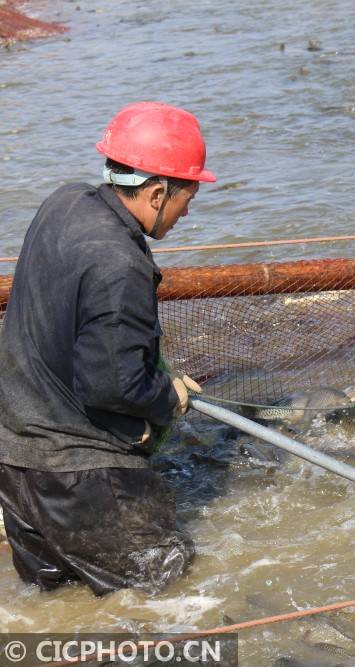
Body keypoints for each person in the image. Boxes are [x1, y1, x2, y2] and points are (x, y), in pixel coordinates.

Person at [0, 102, 214, 595]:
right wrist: (167, 395)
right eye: (188, 196)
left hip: (14, 458)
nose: (188, 211)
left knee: (56, 603)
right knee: (165, 594)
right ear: (158, 192)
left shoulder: (65, 202)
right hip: (80, 474)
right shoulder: (121, 265)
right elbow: (112, 384)